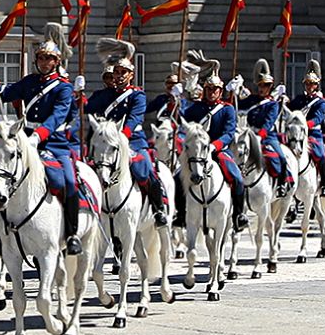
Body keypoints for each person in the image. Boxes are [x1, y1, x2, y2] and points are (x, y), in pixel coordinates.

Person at [0, 23, 83, 254]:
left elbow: (58, 116)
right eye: (41, 58)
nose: (44, 62)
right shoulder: (29, 82)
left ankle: (73, 233)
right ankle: (1, 230)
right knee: (2, 175)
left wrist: (39, 135)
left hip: (53, 142)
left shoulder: (63, 88)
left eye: (49, 59)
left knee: (68, 181)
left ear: (56, 62)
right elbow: (6, 94)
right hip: (25, 139)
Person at [85, 38, 168, 226]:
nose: (120, 76)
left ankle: (158, 208)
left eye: (124, 72)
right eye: (117, 72)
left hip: (132, 141)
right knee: (88, 169)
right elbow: (86, 109)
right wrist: (78, 94)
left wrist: (122, 137)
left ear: (131, 75)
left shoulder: (137, 95)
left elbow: (135, 118)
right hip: (106, 143)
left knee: (145, 169)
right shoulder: (103, 95)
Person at [181, 61, 249, 231]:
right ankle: (181, 214)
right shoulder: (196, 108)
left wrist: (215, 146)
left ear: (220, 91)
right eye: (209, 89)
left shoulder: (227, 109)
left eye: (215, 90)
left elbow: (229, 133)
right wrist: (178, 98)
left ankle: (238, 215)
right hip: (196, 151)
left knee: (237, 178)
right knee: (177, 177)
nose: (212, 93)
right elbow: (182, 121)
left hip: (218, 150)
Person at [237, 59, 294, 197]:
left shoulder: (273, 104)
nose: (263, 88)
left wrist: (261, 135)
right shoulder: (251, 100)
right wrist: (234, 92)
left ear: (270, 87)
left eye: (266, 85)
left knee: (281, 157)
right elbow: (236, 106)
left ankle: (282, 183)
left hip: (268, 137)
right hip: (250, 134)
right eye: (261, 85)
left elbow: (269, 122)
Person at [294, 59, 325, 196]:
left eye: (312, 84)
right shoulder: (299, 100)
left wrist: (305, 125)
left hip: (313, 134)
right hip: (298, 134)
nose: (309, 86)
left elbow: (318, 118)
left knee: (321, 155)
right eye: (307, 84)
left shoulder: (320, 102)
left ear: (316, 85)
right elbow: (290, 110)